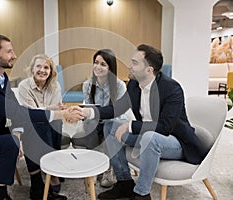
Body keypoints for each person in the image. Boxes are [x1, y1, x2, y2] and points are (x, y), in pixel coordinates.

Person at [0, 34, 82, 200]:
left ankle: (37, 188)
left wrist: (17, 133)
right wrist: (61, 114)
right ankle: (1, 195)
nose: (14, 55)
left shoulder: (1, 77)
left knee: (29, 129)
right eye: (9, 51)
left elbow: (17, 110)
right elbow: (18, 112)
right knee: (10, 142)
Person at [80, 44, 209, 200]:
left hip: (175, 141)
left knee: (150, 137)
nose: (129, 66)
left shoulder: (172, 89)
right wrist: (88, 111)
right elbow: (116, 108)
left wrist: (130, 125)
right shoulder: (134, 85)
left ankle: (142, 194)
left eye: (135, 63)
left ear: (149, 69)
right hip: (147, 135)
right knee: (110, 126)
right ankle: (124, 183)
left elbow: (164, 127)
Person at [18, 54, 66, 194]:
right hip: (28, 124)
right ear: (32, 69)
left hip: (50, 126)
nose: (42, 70)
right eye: (38, 66)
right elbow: (31, 113)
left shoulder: (55, 85)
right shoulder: (24, 86)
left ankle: (52, 170)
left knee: (55, 122)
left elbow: (56, 111)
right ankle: (49, 172)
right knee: (40, 122)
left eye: (46, 67)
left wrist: (52, 111)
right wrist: (51, 109)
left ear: (51, 71)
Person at [80, 49, 127, 187]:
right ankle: (93, 168)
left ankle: (108, 169)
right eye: (96, 62)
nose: (98, 67)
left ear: (110, 68)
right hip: (94, 121)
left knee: (110, 125)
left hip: (112, 121)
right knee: (90, 125)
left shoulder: (119, 86)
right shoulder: (87, 85)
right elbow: (88, 109)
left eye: (103, 64)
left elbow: (119, 111)